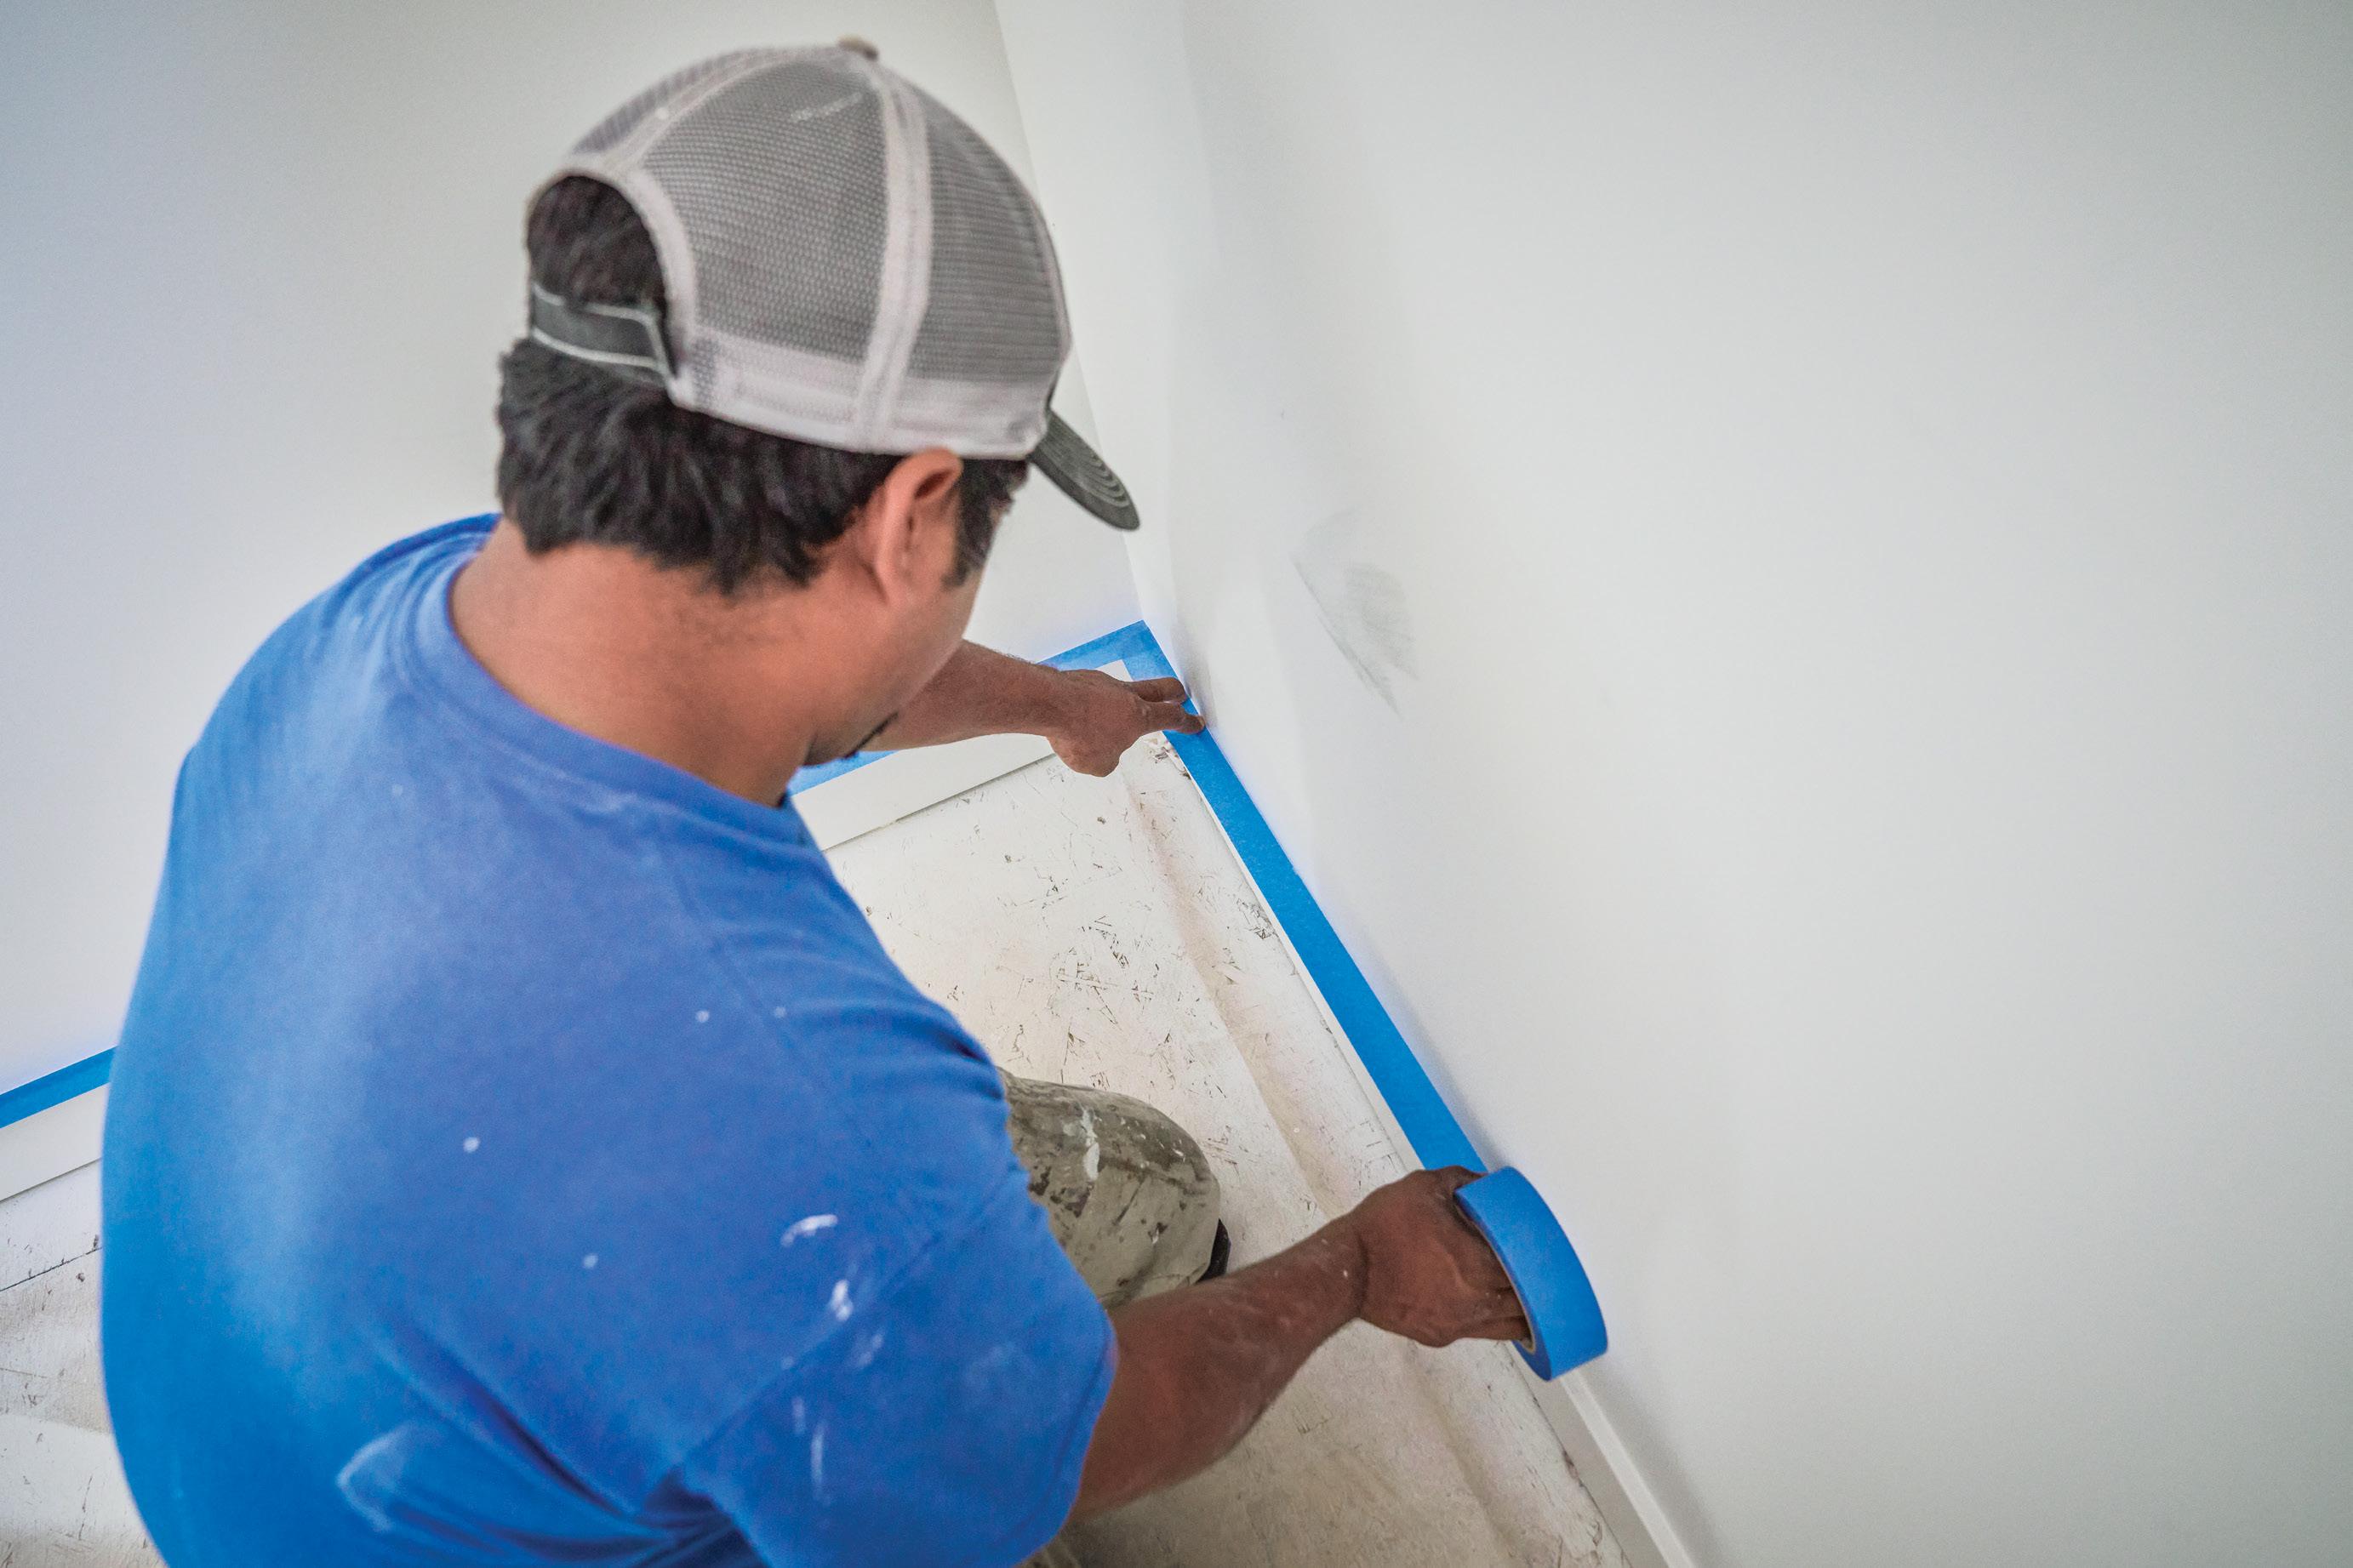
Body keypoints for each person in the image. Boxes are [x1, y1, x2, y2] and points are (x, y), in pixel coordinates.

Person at [101, 44, 1526, 1568]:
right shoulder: (798, 1125)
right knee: (1069, 1297)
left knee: (1127, 1197)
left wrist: (1057, 706)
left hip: (299, 1439)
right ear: (913, 516)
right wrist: (1355, 1270)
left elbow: (798, 661)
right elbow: (1095, 1436)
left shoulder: (359, 636)